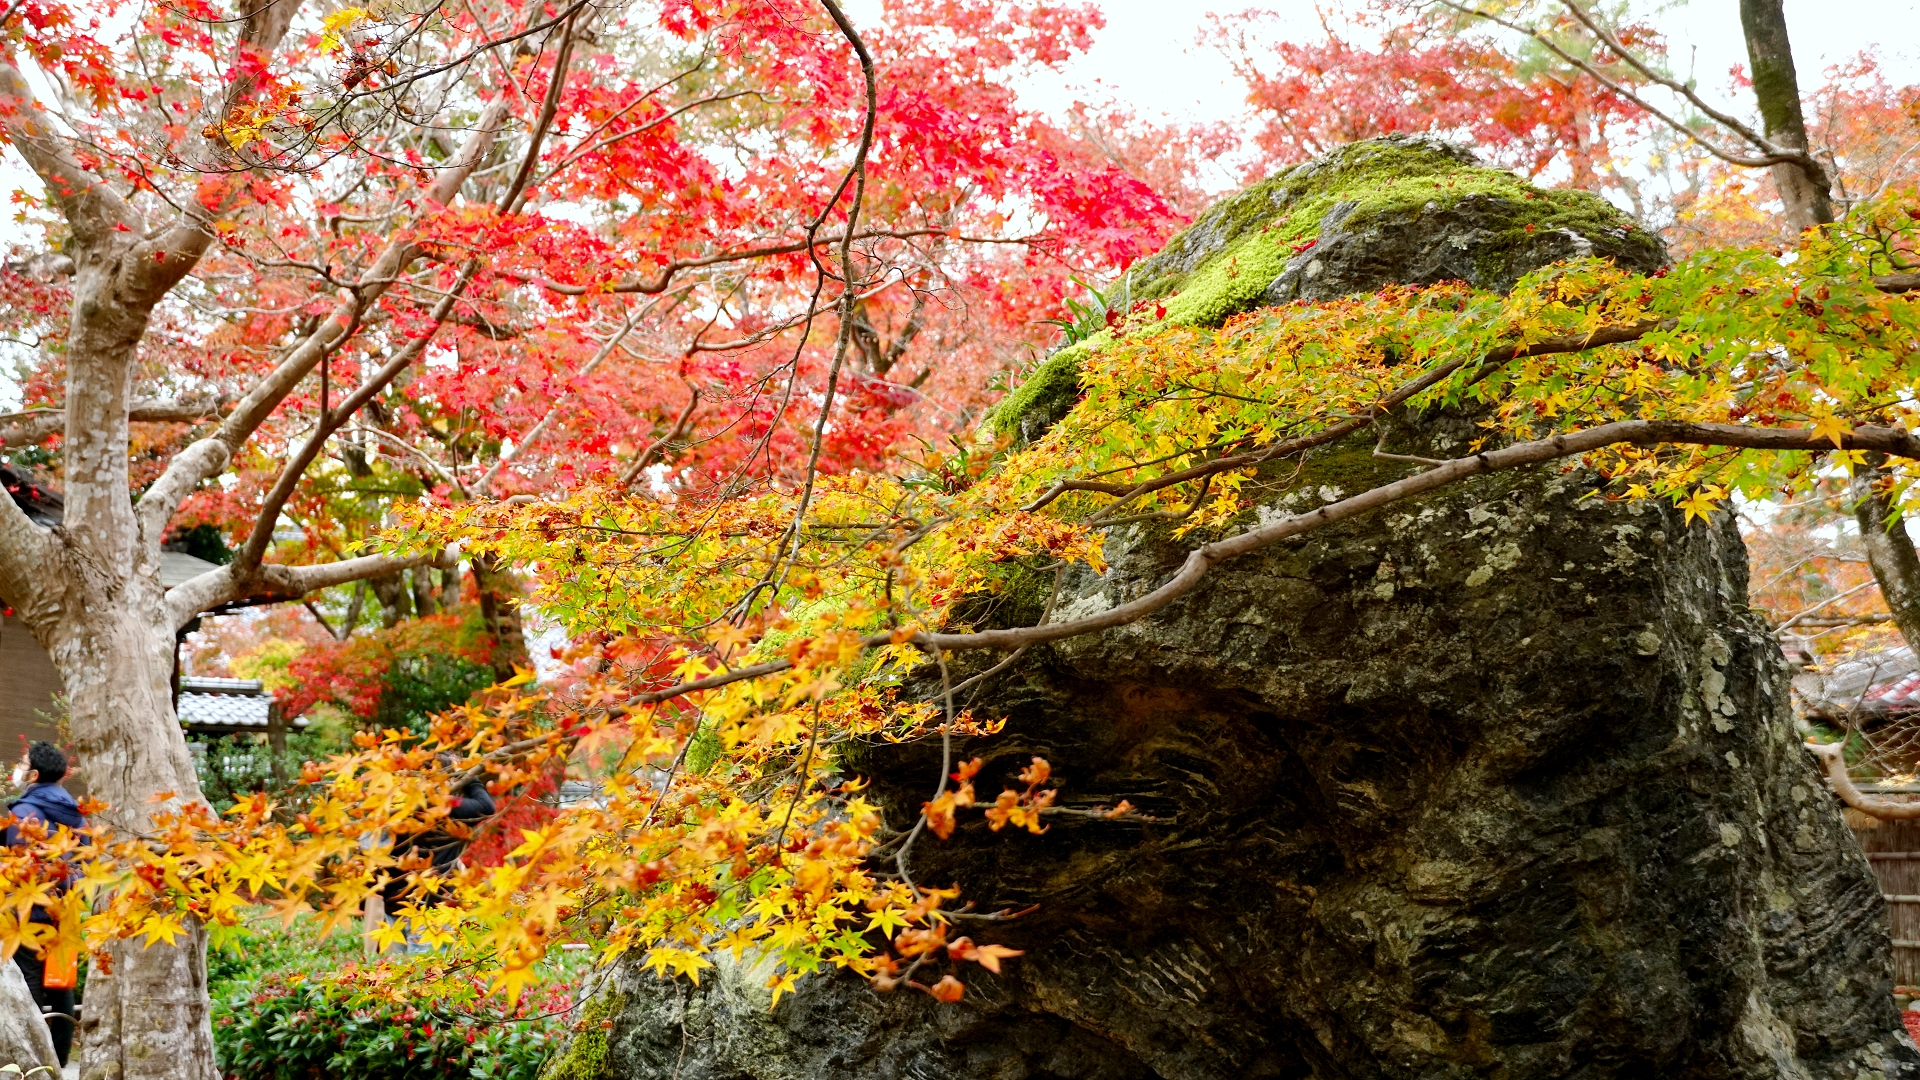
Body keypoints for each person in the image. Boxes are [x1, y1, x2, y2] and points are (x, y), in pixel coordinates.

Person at [5, 742, 84, 1066]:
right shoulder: (77, 813)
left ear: (34, 773)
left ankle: (36, 1057)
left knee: (30, 979)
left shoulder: (23, 814)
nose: (19, 767)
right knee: (61, 979)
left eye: (23, 762)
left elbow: (16, 864)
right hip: (66, 906)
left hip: (30, 908)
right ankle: (62, 1057)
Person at [375, 773, 495, 953]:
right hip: (431, 908)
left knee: (403, 973)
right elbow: (486, 806)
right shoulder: (445, 806)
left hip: (395, 905)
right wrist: (469, 776)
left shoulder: (393, 808)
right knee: (428, 973)